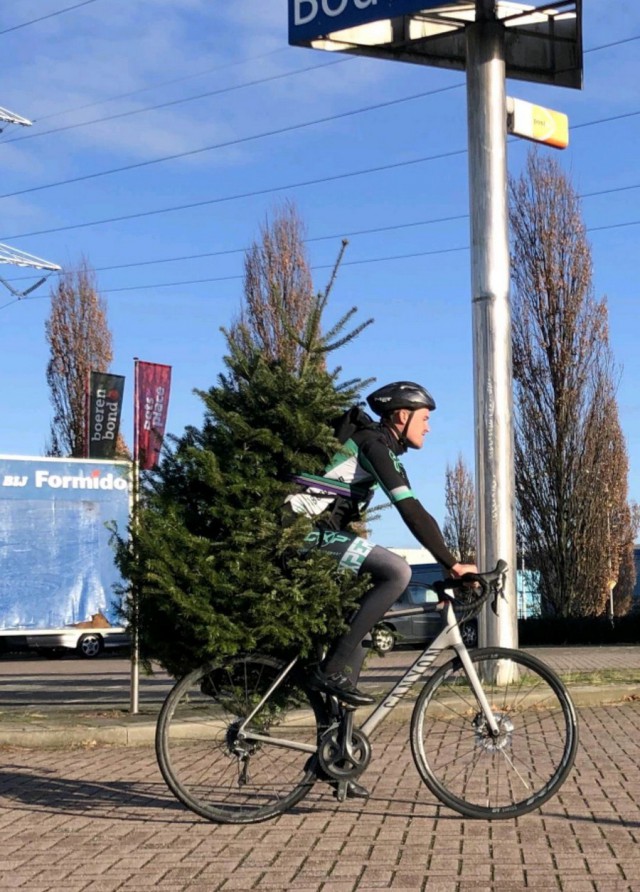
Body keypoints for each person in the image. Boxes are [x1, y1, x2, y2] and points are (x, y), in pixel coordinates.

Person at [285, 381, 477, 716]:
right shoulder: (372, 444)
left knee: (358, 626)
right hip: (298, 533)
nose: (429, 427)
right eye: (425, 418)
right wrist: (452, 563)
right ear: (402, 416)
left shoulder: (381, 447)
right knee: (397, 570)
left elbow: (418, 509)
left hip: (314, 534)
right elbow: (410, 511)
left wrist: (449, 561)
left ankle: (336, 741)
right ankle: (328, 672)